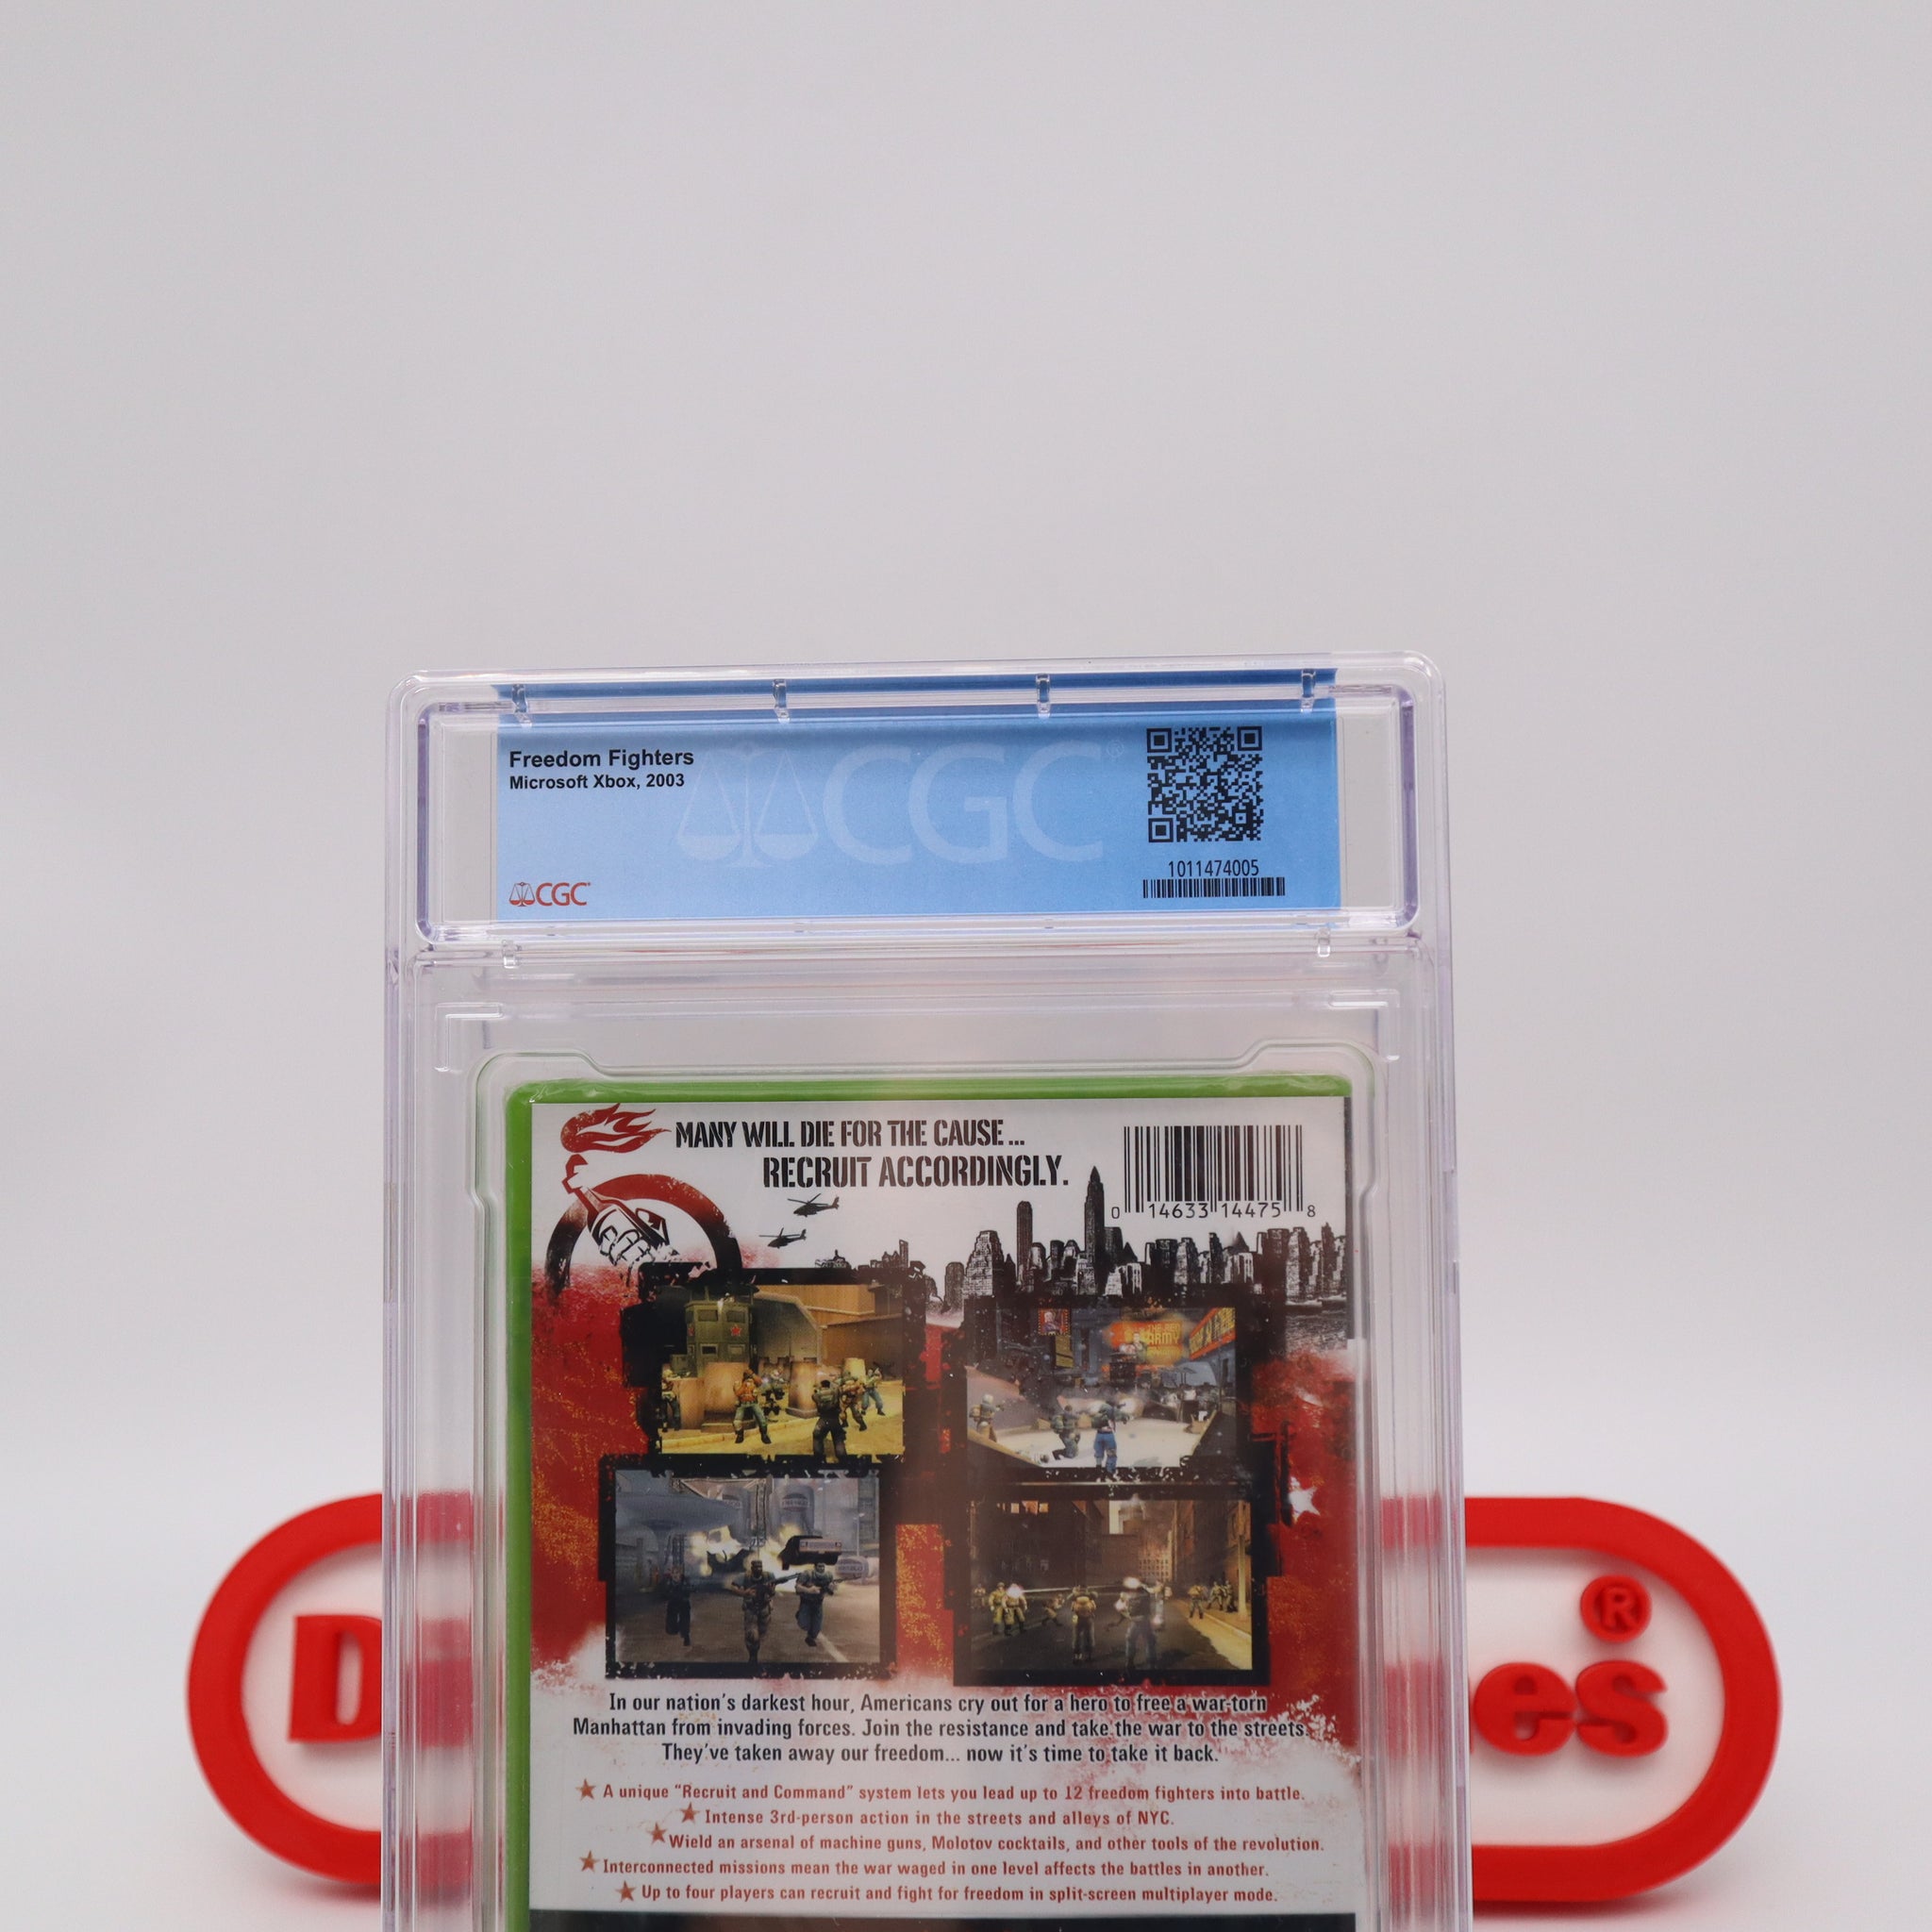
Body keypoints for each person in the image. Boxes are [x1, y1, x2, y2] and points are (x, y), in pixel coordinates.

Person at [726, 1557, 781, 1662]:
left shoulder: (768, 1576)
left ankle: (755, 1648)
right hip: (751, 1610)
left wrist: (771, 1590)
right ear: (752, 1568)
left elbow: (772, 1593)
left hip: (764, 1609)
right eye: (756, 1567)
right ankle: (753, 1655)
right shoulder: (745, 1577)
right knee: (752, 1635)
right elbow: (733, 1586)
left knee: (762, 1634)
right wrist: (744, 1593)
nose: (758, 1569)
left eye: (760, 1567)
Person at [793, 1560, 838, 1647]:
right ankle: (799, 1615)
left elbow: (830, 1590)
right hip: (806, 1602)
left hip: (818, 1603)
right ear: (815, 1567)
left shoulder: (828, 1576)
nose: (821, 1568)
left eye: (823, 1566)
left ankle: (810, 1638)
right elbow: (797, 1587)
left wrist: (832, 1588)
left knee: (817, 1626)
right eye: (819, 1566)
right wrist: (809, 1590)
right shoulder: (807, 1574)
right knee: (803, 1625)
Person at [1116, 1576, 1158, 1671]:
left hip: (1134, 1621)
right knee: (1150, 1641)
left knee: (1131, 1640)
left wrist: (1126, 1616)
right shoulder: (1146, 1594)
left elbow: (1121, 1608)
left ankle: (1129, 1662)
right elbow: (1152, 1593)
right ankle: (1151, 1664)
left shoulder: (1129, 1595)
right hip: (1145, 1621)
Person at [811, 1376, 848, 1462]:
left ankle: (819, 1458)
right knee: (838, 1438)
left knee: (817, 1436)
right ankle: (843, 1459)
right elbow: (839, 1391)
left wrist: (817, 1390)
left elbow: (813, 1397)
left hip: (823, 1419)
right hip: (835, 1419)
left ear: (822, 1385)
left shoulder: (818, 1394)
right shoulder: (835, 1392)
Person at [733, 1370, 772, 1445]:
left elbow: (760, 1383)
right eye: (747, 1376)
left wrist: (752, 1374)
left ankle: (764, 1435)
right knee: (737, 1422)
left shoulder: (754, 1382)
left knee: (762, 1419)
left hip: (753, 1403)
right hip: (742, 1404)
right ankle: (740, 1435)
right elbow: (737, 1393)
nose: (749, 1379)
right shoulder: (739, 1383)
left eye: (749, 1376)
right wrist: (744, 1386)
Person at [662, 1568, 693, 1648]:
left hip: (683, 1603)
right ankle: (678, 1628)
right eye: (673, 1573)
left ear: (680, 1574)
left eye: (677, 1573)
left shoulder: (685, 1582)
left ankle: (686, 1637)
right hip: (673, 1604)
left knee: (685, 1622)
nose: (675, 1575)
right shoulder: (668, 1583)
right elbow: (664, 1594)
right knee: (671, 1629)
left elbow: (689, 1591)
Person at [1068, 1588, 1099, 1662]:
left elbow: (1072, 1609)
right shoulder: (1090, 1598)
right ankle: (1089, 1655)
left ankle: (1077, 1656)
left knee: (1077, 1637)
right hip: (1088, 1618)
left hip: (1078, 1619)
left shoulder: (1075, 1599)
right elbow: (1094, 1607)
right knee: (1089, 1637)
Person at [1092, 1410, 1119, 1476]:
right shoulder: (1110, 1416)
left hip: (1099, 1435)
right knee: (1111, 1452)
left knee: (1098, 1451)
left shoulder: (1097, 1416)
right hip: (1108, 1435)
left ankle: (1098, 1467)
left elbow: (1094, 1425)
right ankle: (1110, 1470)